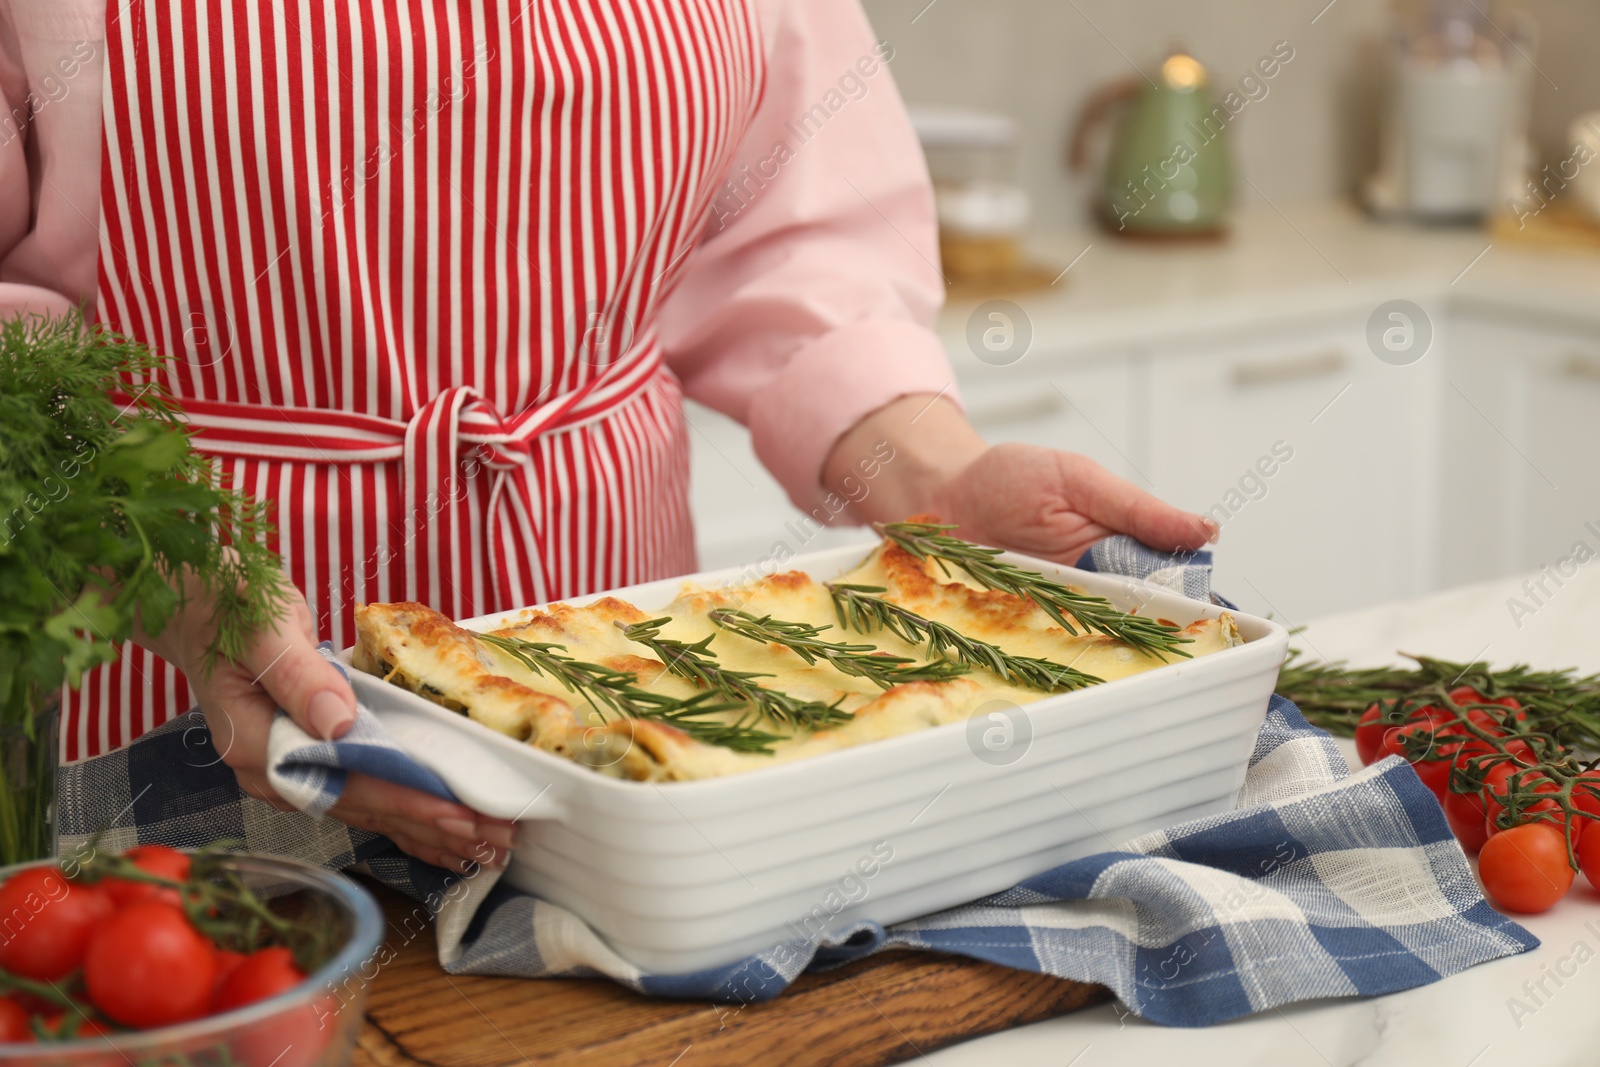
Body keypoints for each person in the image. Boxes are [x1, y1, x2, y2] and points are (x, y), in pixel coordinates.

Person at [0, 0, 1214, 873]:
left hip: (637, 705)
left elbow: (796, 244)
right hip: (169, 659)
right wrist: (173, 572)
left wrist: (933, 476)